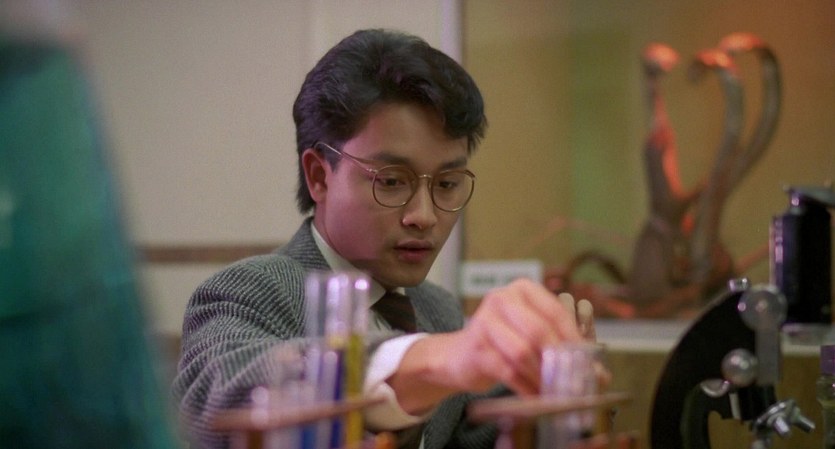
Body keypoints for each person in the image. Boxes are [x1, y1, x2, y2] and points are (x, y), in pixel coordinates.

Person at [173, 28, 595, 449]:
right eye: (391, 181)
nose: (424, 216)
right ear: (319, 176)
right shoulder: (247, 292)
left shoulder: (437, 309)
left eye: (447, 184)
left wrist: (559, 393)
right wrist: (438, 361)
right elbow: (219, 400)